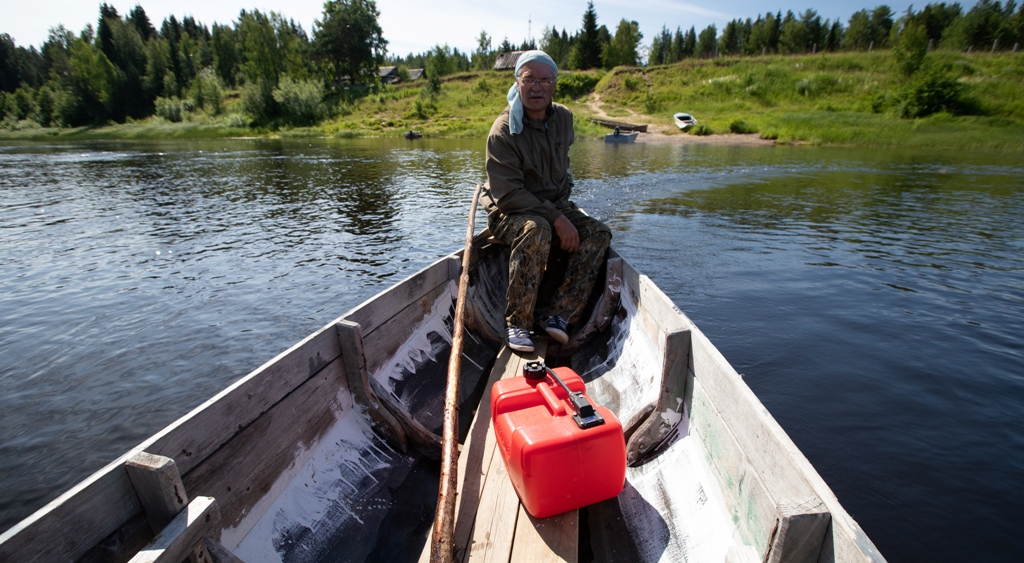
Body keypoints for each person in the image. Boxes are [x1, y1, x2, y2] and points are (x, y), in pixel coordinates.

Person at [481, 50, 611, 353]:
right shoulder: (503, 131)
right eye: (529, 80)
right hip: (509, 210)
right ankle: (518, 322)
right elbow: (510, 195)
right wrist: (557, 219)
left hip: (553, 206)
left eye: (544, 80)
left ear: (554, 85)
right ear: (518, 82)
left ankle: (561, 315)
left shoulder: (564, 118)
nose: (536, 87)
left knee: (598, 233)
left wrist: (561, 213)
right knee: (536, 228)